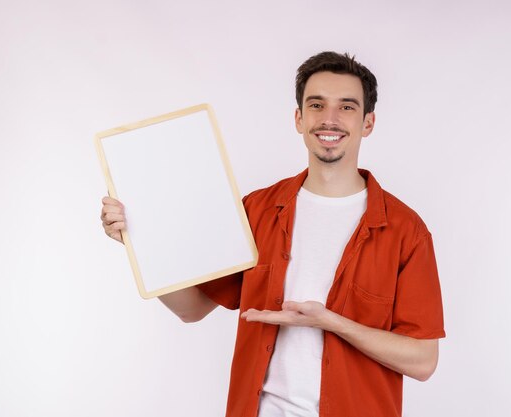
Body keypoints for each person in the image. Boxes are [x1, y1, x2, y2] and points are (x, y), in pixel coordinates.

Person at [100, 51, 445, 417]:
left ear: (368, 122)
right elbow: (191, 308)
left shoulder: (406, 231)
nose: (329, 118)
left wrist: (330, 323)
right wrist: (137, 240)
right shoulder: (257, 210)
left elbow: (423, 361)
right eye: (316, 105)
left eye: (346, 107)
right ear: (299, 118)